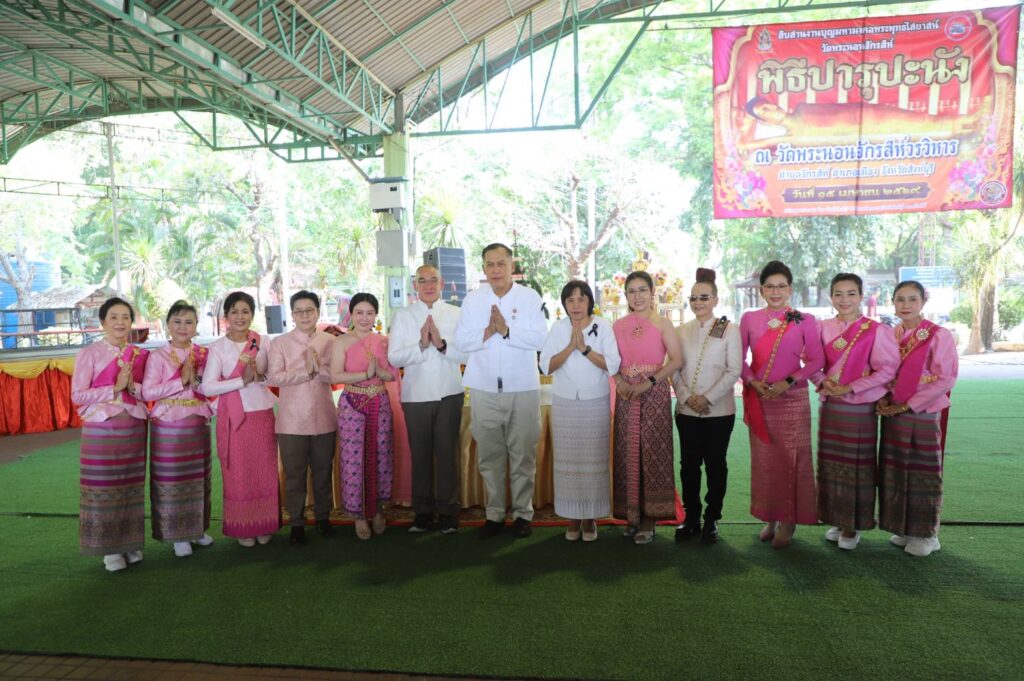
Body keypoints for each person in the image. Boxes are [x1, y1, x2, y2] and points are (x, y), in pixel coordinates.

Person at [454, 243, 548, 539]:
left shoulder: (529, 297)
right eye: (490, 264)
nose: (495, 270)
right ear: (483, 268)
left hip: (522, 387)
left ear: (512, 266)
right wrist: (487, 331)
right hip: (483, 388)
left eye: (501, 264)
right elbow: (461, 342)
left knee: (523, 455)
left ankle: (522, 514)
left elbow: (540, 339)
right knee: (490, 456)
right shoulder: (473, 300)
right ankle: (494, 514)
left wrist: (507, 330)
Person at [810, 274, 898, 551]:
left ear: (861, 296)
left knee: (857, 466)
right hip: (831, 406)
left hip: (860, 407)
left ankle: (853, 525)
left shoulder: (876, 330)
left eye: (851, 293)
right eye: (838, 294)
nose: (844, 299)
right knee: (831, 465)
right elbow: (810, 362)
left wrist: (850, 387)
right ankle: (836, 518)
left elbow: (887, 370)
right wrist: (823, 381)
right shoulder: (821, 327)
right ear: (831, 297)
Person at [740, 260, 824, 549]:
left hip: (792, 400)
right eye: (770, 286)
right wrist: (752, 382)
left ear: (790, 289)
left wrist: (789, 381)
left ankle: (789, 520)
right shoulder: (749, 319)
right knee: (765, 461)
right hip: (761, 398)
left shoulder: (802, 319)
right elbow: (738, 359)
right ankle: (771, 517)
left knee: (792, 460)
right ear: (761, 290)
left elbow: (817, 360)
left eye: (781, 286)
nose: (775, 292)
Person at [876, 281, 958, 557]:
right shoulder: (892, 333)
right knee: (896, 470)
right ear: (893, 302)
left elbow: (946, 378)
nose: (906, 305)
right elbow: (884, 371)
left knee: (923, 473)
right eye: (900, 299)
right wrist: (884, 398)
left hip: (922, 412)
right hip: (894, 414)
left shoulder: (938, 335)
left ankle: (926, 534)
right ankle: (903, 527)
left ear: (923, 301)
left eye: (912, 299)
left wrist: (906, 404)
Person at [72, 297, 150, 572]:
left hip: (134, 427)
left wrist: (132, 387)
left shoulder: (139, 354)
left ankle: (129, 542)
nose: (120, 322)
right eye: (114, 317)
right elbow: (78, 395)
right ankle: (110, 550)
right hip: (102, 428)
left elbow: (144, 391)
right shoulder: (90, 353)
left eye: (125, 317)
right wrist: (114, 388)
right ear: (103, 322)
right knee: (105, 487)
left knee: (131, 486)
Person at [388, 265, 467, 535]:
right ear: (415, 286)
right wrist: (421, 344)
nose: (428, 285)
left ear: (442, 283)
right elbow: (394, 358)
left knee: (447, 455)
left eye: (433, 280)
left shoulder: (457, 313)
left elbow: (468, 354)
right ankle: (422, 513)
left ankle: (448, 513)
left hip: (449, 392)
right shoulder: (404, 316)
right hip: (416, 394)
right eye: (422, 281)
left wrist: (442, 344)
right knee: (420, 456)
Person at [540, 280, 621, 542]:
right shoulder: (559, 327)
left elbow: (613, 365)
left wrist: (584, 349)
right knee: (568, 461)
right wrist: (570, 348)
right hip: (565, 402)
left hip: (595, 402)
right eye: (570, 300)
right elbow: (545, 366)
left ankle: (590, 519)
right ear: (564, 303)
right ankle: (572, 517)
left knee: (593, 461)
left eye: (581, 299)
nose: (576, 305)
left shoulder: (603, 326)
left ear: (589, 302)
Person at [202, 291, 279, 547]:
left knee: (265, 470)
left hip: (262, 414)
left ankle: (265, 523)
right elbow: (208, 386)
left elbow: (274, 375)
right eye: (234, 311)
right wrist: (240, 381)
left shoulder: (263, 341)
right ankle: (244, 527)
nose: (240, 316)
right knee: (239, 473)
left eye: (245, 311)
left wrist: (260, 377)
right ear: (226, 316)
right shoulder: (217, 348)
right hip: (234, 418)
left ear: (252, 315)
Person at [612, 271, 683, 544]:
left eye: (642, 290)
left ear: (652, 292)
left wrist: (649, 382)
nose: (637, 296)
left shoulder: (663, 323)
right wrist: (620, 382)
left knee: (653, 451)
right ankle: (631, 514)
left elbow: (676, 360)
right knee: (627, 451)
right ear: (626, 295)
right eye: (632, 291)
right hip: (626, 394)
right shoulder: (618, 325)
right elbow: (610, 360)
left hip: (654, 393)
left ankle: (650, 519)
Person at [671, 269, 741, 545]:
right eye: (693, 298)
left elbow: (733, 370)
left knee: (715, 465)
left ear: (715, 300)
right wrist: (687, 397)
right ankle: (692, 517)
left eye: (704, 297)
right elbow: (673, 368)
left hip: (719, 412)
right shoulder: (680, 331)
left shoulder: (729, 329)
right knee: (688, 465)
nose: (698, 302)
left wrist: (707, 398)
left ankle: (712, 518)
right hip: (687, 411)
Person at [141, 300, 214, 558]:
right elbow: (148, 392)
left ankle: (198, 529)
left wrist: (198, 383)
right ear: (168, 325)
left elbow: (208, 386)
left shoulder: (204, 354)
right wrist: (180, 382)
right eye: (177, 321)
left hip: (197, 421)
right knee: (172, 479)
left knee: (199, 478)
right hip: (168, 425)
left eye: (189, 322)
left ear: (196, 326)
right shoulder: (157, 356)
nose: (183, 327)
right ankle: (177, 535)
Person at [266, 290, 337, 546]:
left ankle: (323, 517)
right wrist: (305, 372)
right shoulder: (280, 343)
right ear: (292, 314)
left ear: (318, 312)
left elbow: (337, 373)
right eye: (299, 311)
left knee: (323, 471)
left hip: (324, 417)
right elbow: (274, 377)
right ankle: (296, 522)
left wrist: (319, 370)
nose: (305, 315)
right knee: (294, 475)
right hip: (291, 420)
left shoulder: (330, 341)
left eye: (310, 310)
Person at [327, 293, 396, 540]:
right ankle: (359, 515)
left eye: (369, 313)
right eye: (359, 313)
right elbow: (335, 376)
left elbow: (392, 374)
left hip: (380, 402)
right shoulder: (341, 342)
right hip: (352, 405)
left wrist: (381, 373)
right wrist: (364, 374)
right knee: (353, 459)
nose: (364, 318)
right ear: (351, 314)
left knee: (381, 454)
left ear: (375, 315)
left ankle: (377, 509)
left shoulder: (383, 341)